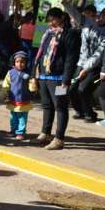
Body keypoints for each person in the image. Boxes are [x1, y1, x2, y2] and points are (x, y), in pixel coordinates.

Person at [33, 8, 80, 150]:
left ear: (62, 18)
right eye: (49, 20)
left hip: (59, 79)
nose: (51, 23)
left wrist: (66, 79)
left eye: (53, 19)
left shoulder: (70, 34)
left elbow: (71, 59)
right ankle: (45, 133)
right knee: (47, 105)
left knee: (60, 106)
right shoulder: (48, 34)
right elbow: (41, 54)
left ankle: (59, 138)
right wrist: (34, 74)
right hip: (44, 76)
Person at [69, 6, 105, 122]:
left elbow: (98, 54)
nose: (84, 15)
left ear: (93, 13)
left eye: (87, 13)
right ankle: (79, 111)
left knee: (83, 89)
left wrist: (86, 69)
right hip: (81, 62)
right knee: (72, 88)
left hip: (95, 66)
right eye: (84, 13)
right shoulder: (85, 23)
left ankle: (90, 114)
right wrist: (65, 3)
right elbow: (74, 13)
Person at [1, 51, 36, 140]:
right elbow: (6, 84)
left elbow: (32, 86)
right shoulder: (10, 72)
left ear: (26, 63)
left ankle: (20, 132)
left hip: (24, 99)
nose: (19, 64)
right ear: (14, 62)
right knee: (13, 117)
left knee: (22, 117)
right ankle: (13, 130)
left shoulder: (28, 74)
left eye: (22, 62)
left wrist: (33, 87)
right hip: (13, 99)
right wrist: (5, 94)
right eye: (17, 62)